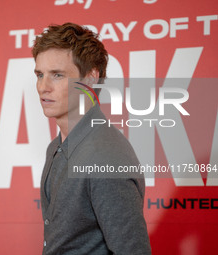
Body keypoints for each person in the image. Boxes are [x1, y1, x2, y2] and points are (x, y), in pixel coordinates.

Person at [32, 22, 151, 255]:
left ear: (90, 79)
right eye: (39, 74)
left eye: (57, 75)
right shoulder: (55, 147)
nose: (43, 87)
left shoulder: (105, 157)